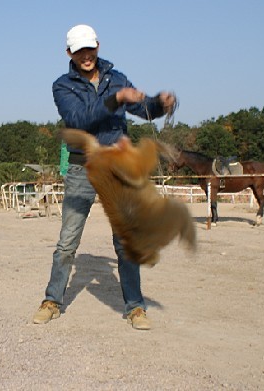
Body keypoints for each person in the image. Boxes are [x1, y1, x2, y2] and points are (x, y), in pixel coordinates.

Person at [33, 24, 176, 330]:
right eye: (79, 50)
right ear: (69, 53)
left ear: (98, 45)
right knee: (68, 241)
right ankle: (52, 300)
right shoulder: (63, 86)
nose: (86, 55)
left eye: (90, 48)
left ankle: (135, 308)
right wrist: (116, 99)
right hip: (81, 167)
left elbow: (143, 108)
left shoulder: (117, 78)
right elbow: (79, 119)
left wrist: (160, 105)